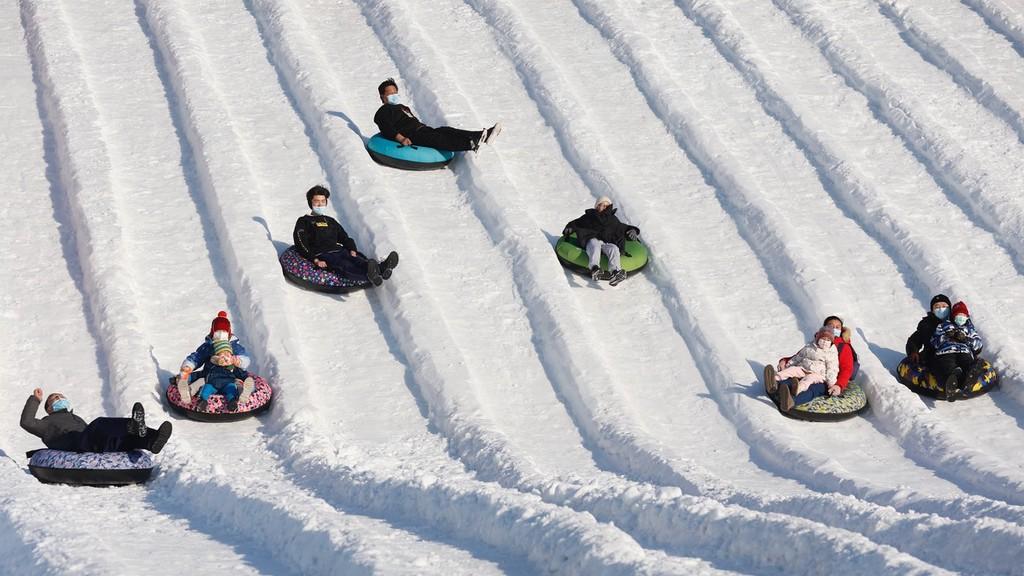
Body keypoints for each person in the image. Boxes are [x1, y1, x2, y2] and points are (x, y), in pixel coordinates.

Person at [293, 185, 399, 287]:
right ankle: (368, 276)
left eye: (323, 201)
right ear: (310, 202)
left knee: (357, 260)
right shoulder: (304, 221)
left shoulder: (330, 221)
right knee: (344, 265)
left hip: (339, 250)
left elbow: (343, 236)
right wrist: (315, 259)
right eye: (316, 201)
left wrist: (351, 248)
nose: (320, 204)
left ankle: (383, 267)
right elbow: (301, 243)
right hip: (322, 253)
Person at [21, 390, 172, 454]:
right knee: (99, 424)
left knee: (118, 439)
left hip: (88, 442)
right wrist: (36, 400)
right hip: (75, 444)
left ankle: (151, 440)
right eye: (55, 398)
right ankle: (132, 426)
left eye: (61, 396)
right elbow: (26, 422)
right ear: (48, 408)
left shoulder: (76, 418)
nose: (60, 399)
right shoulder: (47, 422)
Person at [373, 78, 501, 152]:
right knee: (440, 139)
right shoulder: (384, 111)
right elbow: (386, 127)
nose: (394, 96)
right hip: (413, 135)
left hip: (423, 129)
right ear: (382, 97)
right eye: (390, 94)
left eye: (396, 92)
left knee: (446, 130)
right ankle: (471, 143)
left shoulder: (402, 108)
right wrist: (401, 139)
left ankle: (481, 135)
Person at [178, 310, 255, 410]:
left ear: (229, 333)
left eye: (224, 333)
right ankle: (187, 392)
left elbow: (244, 360)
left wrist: (236, 361)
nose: (220, 336)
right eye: (217, 333)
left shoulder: (234, 347)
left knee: (237, 383)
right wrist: (188, 367)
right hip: (209, 376)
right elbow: (197, 357)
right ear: (213, 332)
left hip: (230, 377)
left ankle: (245, 393)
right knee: (200, 381)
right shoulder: (209, 347)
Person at [562, 196, 640, 284]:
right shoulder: (589, 217)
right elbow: (576, 223)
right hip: (592, 241)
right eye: (601, 205)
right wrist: (569, 227)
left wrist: (632, 230)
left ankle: (615, 272)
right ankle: (595, 269)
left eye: (606, 206)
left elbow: (622, 227)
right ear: (597, 206)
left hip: (606, 243)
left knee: (614, 248)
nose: (603, 207)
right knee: (595, 244)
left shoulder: (612, 220)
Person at [768, 326, 839, 412]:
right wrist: (789, 364)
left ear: (831, 342)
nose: (825, 342)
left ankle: (797, 389)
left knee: (808, 380)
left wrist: (831, 383)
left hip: (818, 375)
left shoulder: (831, 353)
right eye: (823, 338)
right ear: (818, 338)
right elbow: (799, 357)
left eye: (828, 340)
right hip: (803, 368)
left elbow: (832, 368)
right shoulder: (809, 346)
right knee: (792, 370)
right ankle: (774, 380)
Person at [929, 300, 983, 398]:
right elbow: (934, 342)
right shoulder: (943, 326)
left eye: (963, 315)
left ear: (967, 317)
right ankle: (951, 380)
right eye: (958, 315)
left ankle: (969, 377)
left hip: (964, 351)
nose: (961, 317)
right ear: (953, 315)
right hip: (946, 351)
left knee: (967, 362)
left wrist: (966, 339)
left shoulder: (969, 329)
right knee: (947, 364)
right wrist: (946, 337)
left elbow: (978, 344)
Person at [905, 294, 952, 366]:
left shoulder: (956, 322)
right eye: (937, 307)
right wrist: (913, 351)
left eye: (944, 306)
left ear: (949, 308)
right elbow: (914, 340)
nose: (941, 309)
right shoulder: (927, 324)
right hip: (933, 356)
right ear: (932, 310)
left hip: (956, 354)